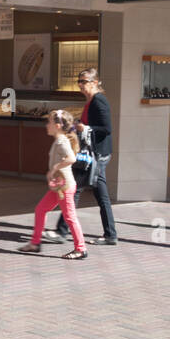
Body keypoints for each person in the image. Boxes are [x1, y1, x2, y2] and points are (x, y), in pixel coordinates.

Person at [48, 68, 118, 244]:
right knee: (95, 194)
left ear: (95, 82)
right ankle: (110, 234)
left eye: (84, 81)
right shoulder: (91, 101)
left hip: (98, 155)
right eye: (79, 81)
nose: (80, 85)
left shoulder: (99, 101)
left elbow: (106, 129)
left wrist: (85, 128)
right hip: (95, 154)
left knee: (74, 189)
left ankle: (62, 231)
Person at [19, 109, 88, 260]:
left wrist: (54, 169)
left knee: (70, 217)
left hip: (65, 187)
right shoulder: (59, 140)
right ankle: (35, 243)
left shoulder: (62, 141)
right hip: (59, 187)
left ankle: (80, 249)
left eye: (49, 122)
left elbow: (71, 158)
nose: (46, 125)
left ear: (57, 125)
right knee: (40, 210)